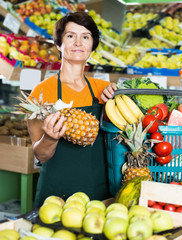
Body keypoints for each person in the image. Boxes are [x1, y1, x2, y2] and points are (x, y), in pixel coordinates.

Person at [28, 11, 117, 208]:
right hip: (56, 194)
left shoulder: (103, 89)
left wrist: (118, 98)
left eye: (85, 37)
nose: (78, 42)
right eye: (70, 36)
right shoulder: (42, 91)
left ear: (92, 46)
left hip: (99, 190)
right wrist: (50, 138)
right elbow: (40, 154)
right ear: (59, 45)